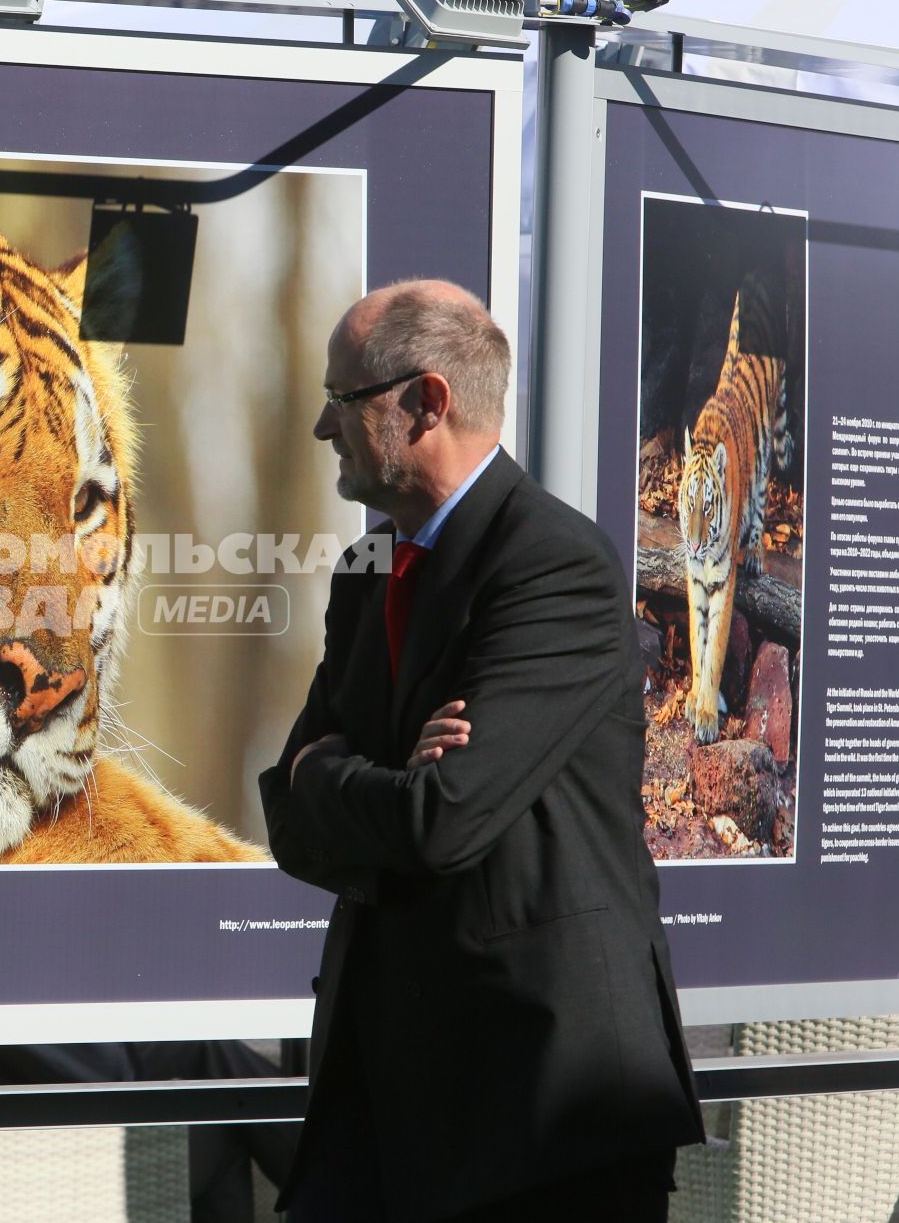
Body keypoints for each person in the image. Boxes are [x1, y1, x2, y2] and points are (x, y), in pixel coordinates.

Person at [258, 280, 704, 1222]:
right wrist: (335, 778)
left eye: (342, 402)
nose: (319, 429)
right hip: (383, 1097)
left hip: (539, 1114)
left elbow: (441, 818)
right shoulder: (366, 569)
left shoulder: (555, 562)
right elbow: (290, 820)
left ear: (426, 403)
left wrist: (328, 772)